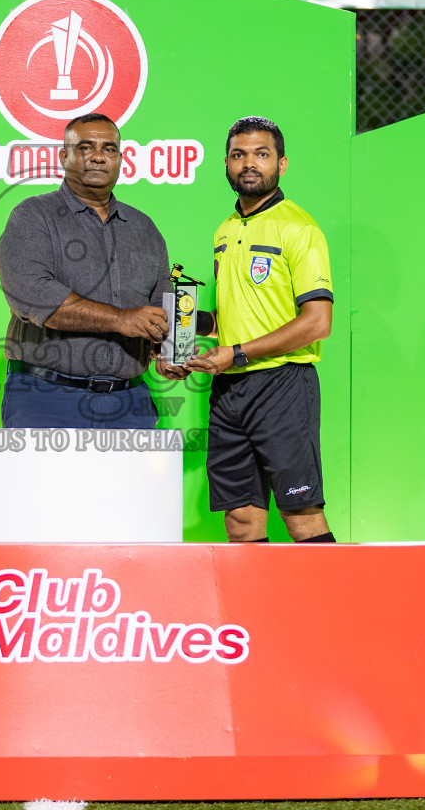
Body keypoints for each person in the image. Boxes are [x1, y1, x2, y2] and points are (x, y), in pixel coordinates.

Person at [163, 116, 335, 543]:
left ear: (282, 163)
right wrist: (180, 327)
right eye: (239, 155)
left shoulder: (300, 228)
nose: (249, 164)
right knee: (240, 520)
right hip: (229, 391)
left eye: (262, 154)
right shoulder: (225, 230)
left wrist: (236, 353)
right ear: (226, 163)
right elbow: (231, 318)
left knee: (301, 514)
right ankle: (256, 611)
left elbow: (318, 322)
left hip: (283, 385)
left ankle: (333, 609)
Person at [0, 113, 173, 428]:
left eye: (109, 149)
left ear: (120, 158)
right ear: (64, 156)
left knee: (131, 481)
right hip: (46, 399)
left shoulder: (144, 228)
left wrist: (170, 352)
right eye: (85, 147)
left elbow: (162, 308)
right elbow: (33, 297)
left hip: (129, 403)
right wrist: (121, 320)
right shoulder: (34, 216)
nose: (98, 157)